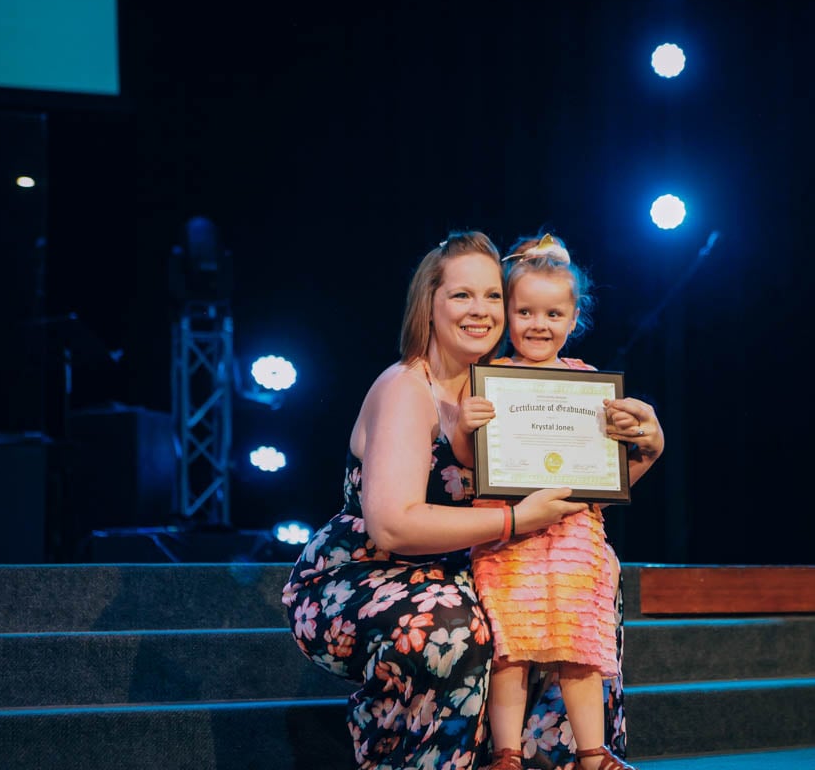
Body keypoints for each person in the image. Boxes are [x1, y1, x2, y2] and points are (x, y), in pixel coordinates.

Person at [282, 231, 660, 769]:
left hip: (469, 559)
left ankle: (573, 757)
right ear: (429, 303)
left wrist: (650, 444)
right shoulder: (407, 388)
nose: (480, 310)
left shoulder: (511, 386)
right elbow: (392, 528)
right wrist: (513, 520)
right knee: (455, 622)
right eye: (462, 295)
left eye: (491, 296)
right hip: (373, 570)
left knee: (576, 578)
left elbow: (578, 491)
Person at [454, 234, 664, 770]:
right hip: (509, 540)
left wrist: (621, 431)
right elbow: (469, 462)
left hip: (575, 541)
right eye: (525, 311)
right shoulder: (489, 382)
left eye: (553, 313)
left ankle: (594, 754)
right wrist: (464, 428)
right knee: (510, 651)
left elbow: (606, 468)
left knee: (581, 651)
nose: (538, 324)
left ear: (574, 319)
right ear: (507, 313)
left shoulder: (588, 383)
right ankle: (506, 755)